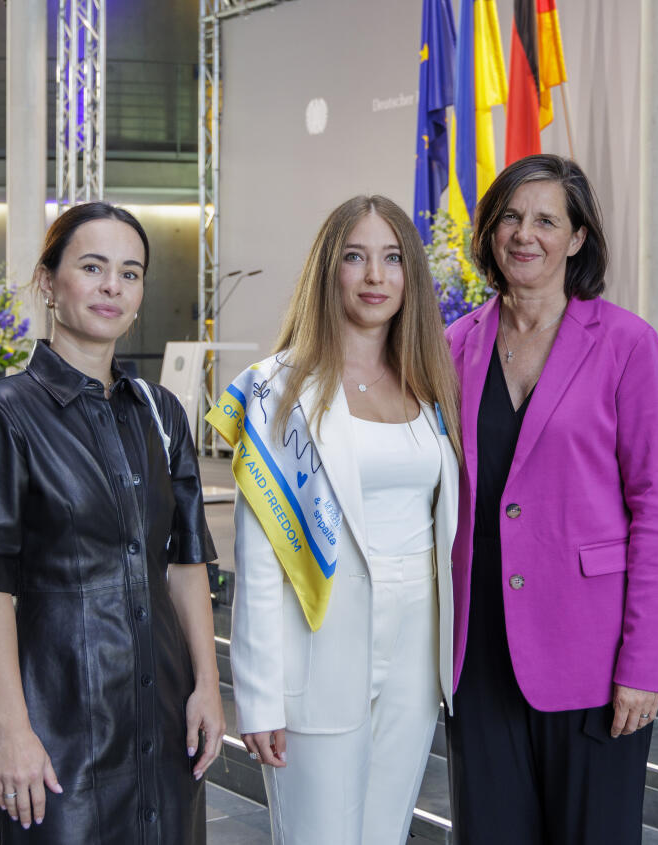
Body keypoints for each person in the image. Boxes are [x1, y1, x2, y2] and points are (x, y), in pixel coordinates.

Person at [0, 201, 224, 842]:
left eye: (130, 272)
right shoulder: (3, 414)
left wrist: (207, 685)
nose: (111, 286)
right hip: (60, 717)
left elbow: (184, 560)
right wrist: (12, 729)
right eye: (92, 267)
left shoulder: (162, 413)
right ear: (48, 281)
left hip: (162, 706)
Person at [444, 154, 658, 844]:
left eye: (547, 219)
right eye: (511, 218)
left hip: (593, 654)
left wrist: (643, 663)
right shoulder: (452, 344)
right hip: (480, 653)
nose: (526, 234)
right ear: (490, 233)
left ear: (577, 237)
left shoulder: (626, 344)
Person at [213, 195, 461, 844]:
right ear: (329, 271)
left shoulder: (432, 382)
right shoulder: (277, 388)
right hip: (317, 642)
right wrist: (258, 694)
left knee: (385, 832)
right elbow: (260, 559)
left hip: (416, 641)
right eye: (356, 257)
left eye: (392, 258)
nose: (375, 276)